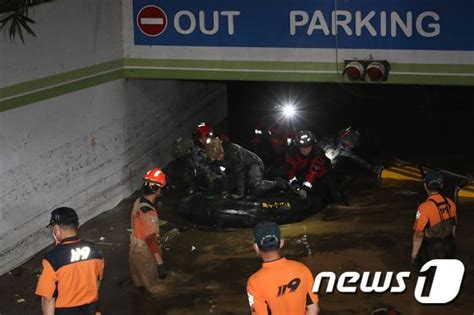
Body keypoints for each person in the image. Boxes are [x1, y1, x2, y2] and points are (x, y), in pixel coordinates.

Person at [35, 207, 104, 315]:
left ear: (56, 229)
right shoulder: (95, 251)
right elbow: (97, 282)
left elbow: (48, 299)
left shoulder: (52, 259)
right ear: (77, 225)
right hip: (91, 310)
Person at [246, 222, 319, 315]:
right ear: (281, 243)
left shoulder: (254, 282)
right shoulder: (302, 269)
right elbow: (313, 310)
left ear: (256, 247)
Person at [205, 137, 288, 198]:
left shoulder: (234, 151)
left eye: (220, 155)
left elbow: (239, 173)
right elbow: (225, 175)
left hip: (253, 164)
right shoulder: (216, 160)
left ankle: (277, 183)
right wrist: (226, 190)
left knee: (256, 187)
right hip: (240, 170)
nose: (219, 158)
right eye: (217, 157)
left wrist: (240, 194)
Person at [129, 168, 168, 293]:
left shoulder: (138, 202)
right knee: (156, 290)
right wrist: (160, 263)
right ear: (158, 189)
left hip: (134, 251)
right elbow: (150, 239)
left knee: (141, 288)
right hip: (145, 254)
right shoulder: (149, 213)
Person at [411, 170, 457, 267]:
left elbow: (419, 235)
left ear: (425, 185)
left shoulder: (424, 207)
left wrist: (413, 257)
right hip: (449, 248)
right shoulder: (450, 203)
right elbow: (453, 227)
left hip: (433, 252)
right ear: (442, 186)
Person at [286, 130, 341, 202]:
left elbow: (313, 173)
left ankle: (336, 196)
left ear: (312, 145)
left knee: (328, 184)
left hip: (321, 174)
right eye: (303, 148)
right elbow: (291, 170)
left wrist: (305, 189)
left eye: (308, 147)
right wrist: (294, 183)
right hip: (305, 172)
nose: (306, 150)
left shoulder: (317, 153)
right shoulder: (292, 154)